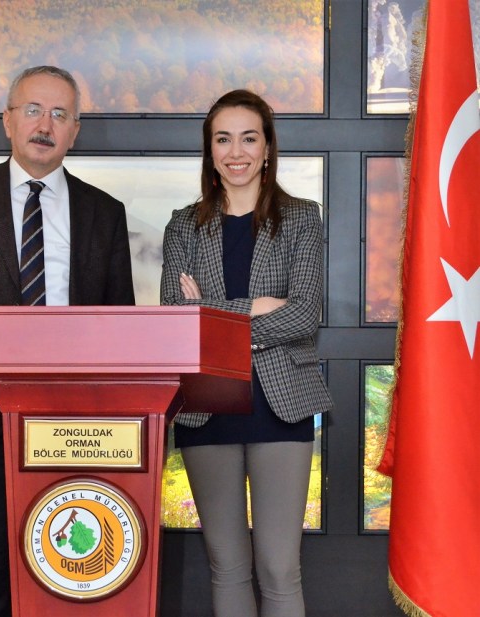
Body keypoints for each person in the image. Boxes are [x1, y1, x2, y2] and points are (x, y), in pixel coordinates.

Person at [0, 65, 135, 617]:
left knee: (73, 578)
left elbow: (121, 323)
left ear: (75, 131)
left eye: (60, 114)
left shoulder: (105, 213)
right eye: (33, 110)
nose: (45, 124)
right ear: (8, 121)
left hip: (79, 427)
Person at [160, 89, 333, 617]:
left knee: (279, 568)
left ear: (267, 148)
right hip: (206, 407)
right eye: (223, 139)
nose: (236, 152)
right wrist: (255, 307)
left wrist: (214, 313)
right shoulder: (183, 225)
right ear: (210, 151)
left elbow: (304, 315)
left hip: (281, 405)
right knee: (227, 565)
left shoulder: (301, 218)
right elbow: (177, 319)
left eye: (249, 138)